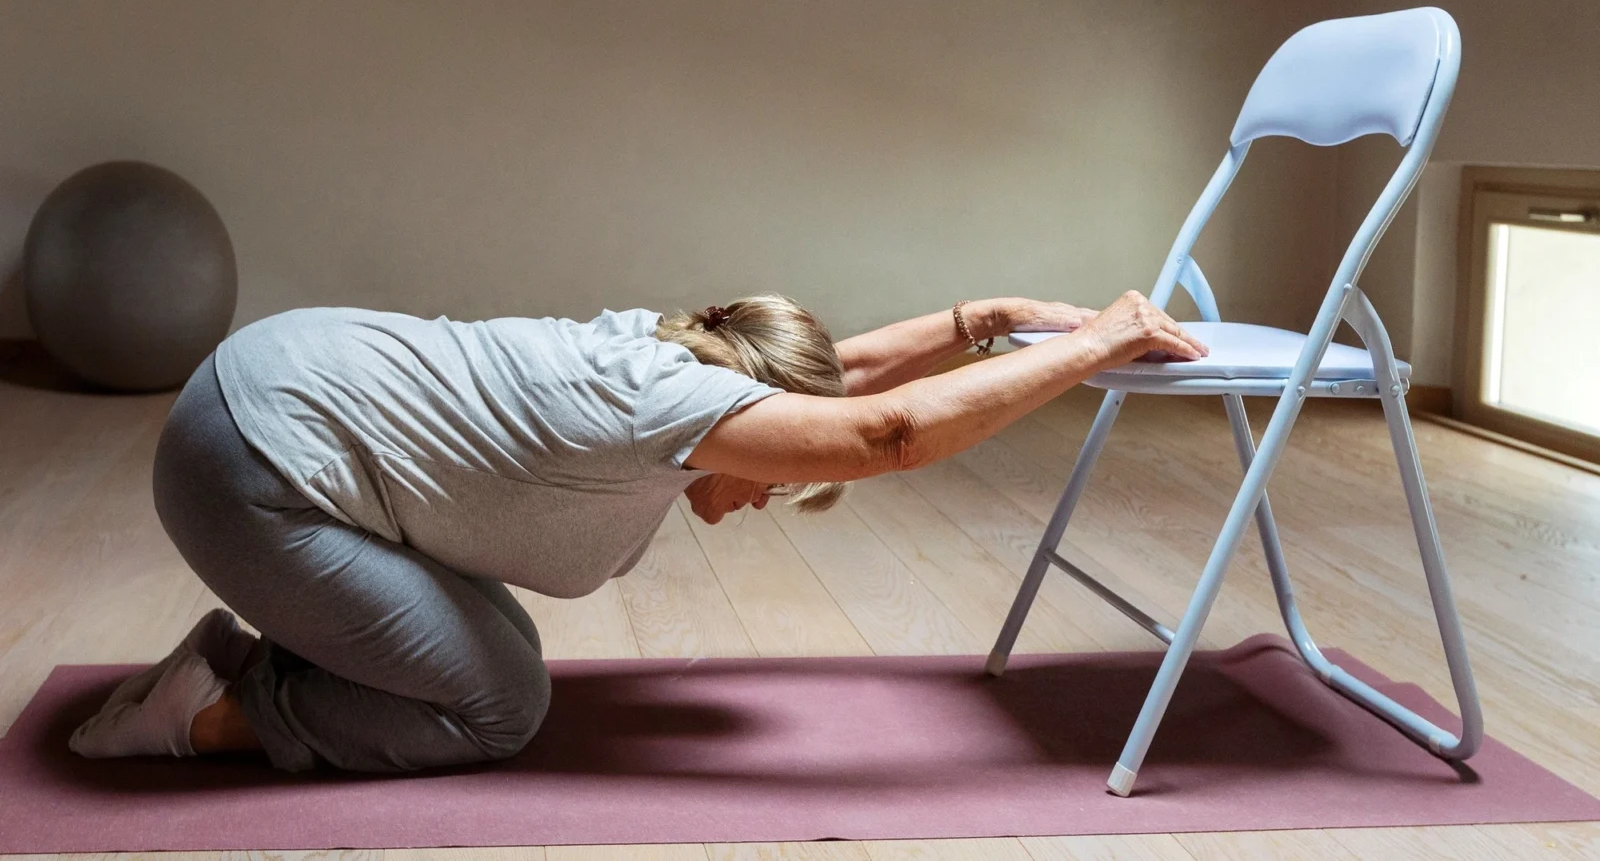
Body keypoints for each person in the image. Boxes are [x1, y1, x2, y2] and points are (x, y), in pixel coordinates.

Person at [67, 291, 1206, 773]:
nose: (760, 494)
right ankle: (201, 719)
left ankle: (266, 656)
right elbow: (886, 432)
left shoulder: (681, 353)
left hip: (269, 389)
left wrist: (992, 320)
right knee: (498, 705)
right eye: (770, 474)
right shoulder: (666, 408)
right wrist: (1096, 345)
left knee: (496, 643)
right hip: (246, 468)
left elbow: (848, 376)